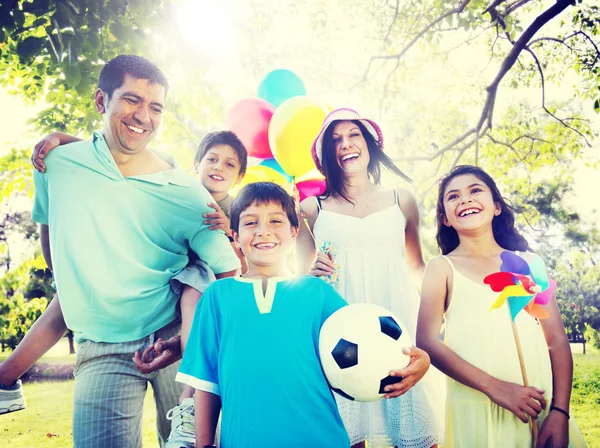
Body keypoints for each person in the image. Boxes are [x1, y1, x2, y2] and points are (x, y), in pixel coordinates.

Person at [0, 55, 240, 448]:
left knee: (199, 442)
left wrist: (186, 342)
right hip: (101, 344)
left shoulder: (184, 190)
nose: (144, 116)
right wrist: (71, 276)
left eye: (156, 107)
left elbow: (230, 277)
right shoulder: (56, 163)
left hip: (175, 337)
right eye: (132, 100)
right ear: (101, 101)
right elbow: (50, 226)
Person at [178, 182, 421, 447]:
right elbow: (206, 383)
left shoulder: (317, 293)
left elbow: (369, 343)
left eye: (275, 221)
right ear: (234, 235)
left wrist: (419, 362)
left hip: (320, 439)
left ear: (294, 231)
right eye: (250, 223)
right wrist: (203, 444)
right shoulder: (217, 297)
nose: (263, 231)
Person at [297, 108, 443, 448]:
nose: (346, 144)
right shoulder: (310, 208)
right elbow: (299, 281)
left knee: (417, 436)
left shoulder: (401, 199)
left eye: (353, 135)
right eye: (335, 140)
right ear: (326, 154)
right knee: (350, 437)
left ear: (369, 142)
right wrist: (309, 272)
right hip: (340, 337)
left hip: (397, 327)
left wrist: (454, 283)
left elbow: (417, 268)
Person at [417, 165, 587, 447]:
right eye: (453, 196)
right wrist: (496, 388)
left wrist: (560, 411)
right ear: (445, 219)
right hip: (477, 403)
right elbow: (427, 341)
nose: (465, 199)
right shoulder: (441, 268)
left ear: (496, 206)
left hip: (536, 402)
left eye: (475, 190)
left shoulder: (530, 264)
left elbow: (556, 340)